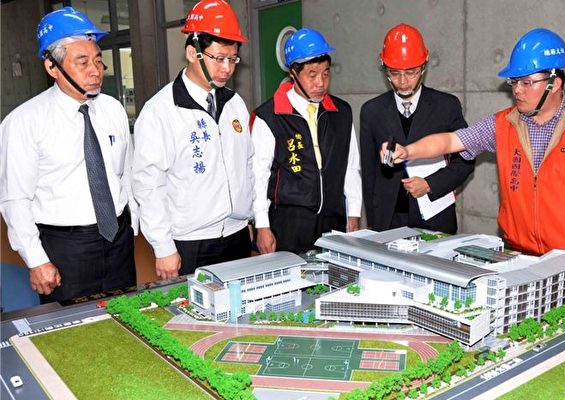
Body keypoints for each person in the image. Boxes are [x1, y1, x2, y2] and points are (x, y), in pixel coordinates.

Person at [384, 28, 565, 266]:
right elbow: (451, 141)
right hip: (519, 257)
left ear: (554, 83)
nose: (517, 90)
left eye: (526, 82)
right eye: (514, 81)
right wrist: (408, 151)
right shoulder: (503, 124)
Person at [0, 7, 137, 303]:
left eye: (98, 60)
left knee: (125, 318)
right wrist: (36, 259)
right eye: (82, 62)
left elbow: (124, 172)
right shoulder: (24, 122)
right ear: (52, 66)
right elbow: (15, 199)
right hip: (66, 248)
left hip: (118, 239)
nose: (95, 71)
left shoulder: (113, 109)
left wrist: (132, 223)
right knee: (71, 327)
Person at [132, 0, 254, 279]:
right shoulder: (160, 111)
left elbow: (246, 165)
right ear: (192, 52)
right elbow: (148, 184)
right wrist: (163, 247)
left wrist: (247, 218)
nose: (227, 68)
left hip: (236, 234)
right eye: (219, 58)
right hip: (190, 242)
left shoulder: (234, 103)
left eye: (233, 59)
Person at [251, 28, 362, 254]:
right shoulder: (270, 116)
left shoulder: (341, 113)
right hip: (289, 223)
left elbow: (351, 167)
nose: (320, 83)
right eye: (312, 75)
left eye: (326, 74)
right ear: (293, 73)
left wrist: (353, 213)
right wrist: (262, 225)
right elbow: (258, 175)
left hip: (333, 219)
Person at [361, 23, 474, 234]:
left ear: (423, 66)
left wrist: (430, 184)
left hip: (435, 215)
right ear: (384, 69)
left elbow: (465, 160)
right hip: (388, 219)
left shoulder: (446, 106)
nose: (403, 81)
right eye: (394, 73)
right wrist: (374, 224)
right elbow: (369, 173)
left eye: (411, 72)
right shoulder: (372, 111)